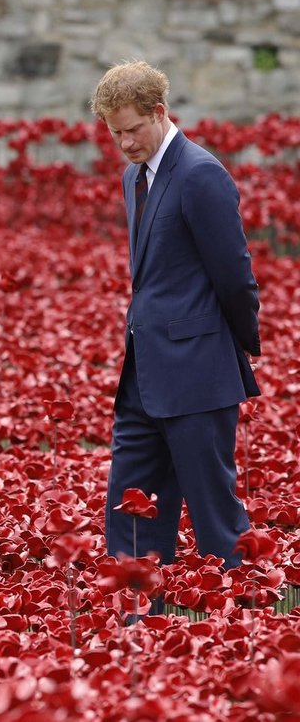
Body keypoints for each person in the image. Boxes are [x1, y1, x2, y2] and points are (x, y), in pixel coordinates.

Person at [91, 60, 260, 571]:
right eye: (115, 133)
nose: (125, 143)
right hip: (144, 373)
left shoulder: (200, 174)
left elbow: (234, 274)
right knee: (131, 504)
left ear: (159, 113)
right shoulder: (133, 177)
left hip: (199, 371)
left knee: (214, 513)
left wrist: (241, 347)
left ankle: (243, 625)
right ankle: (135, 621)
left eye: (133, 129)